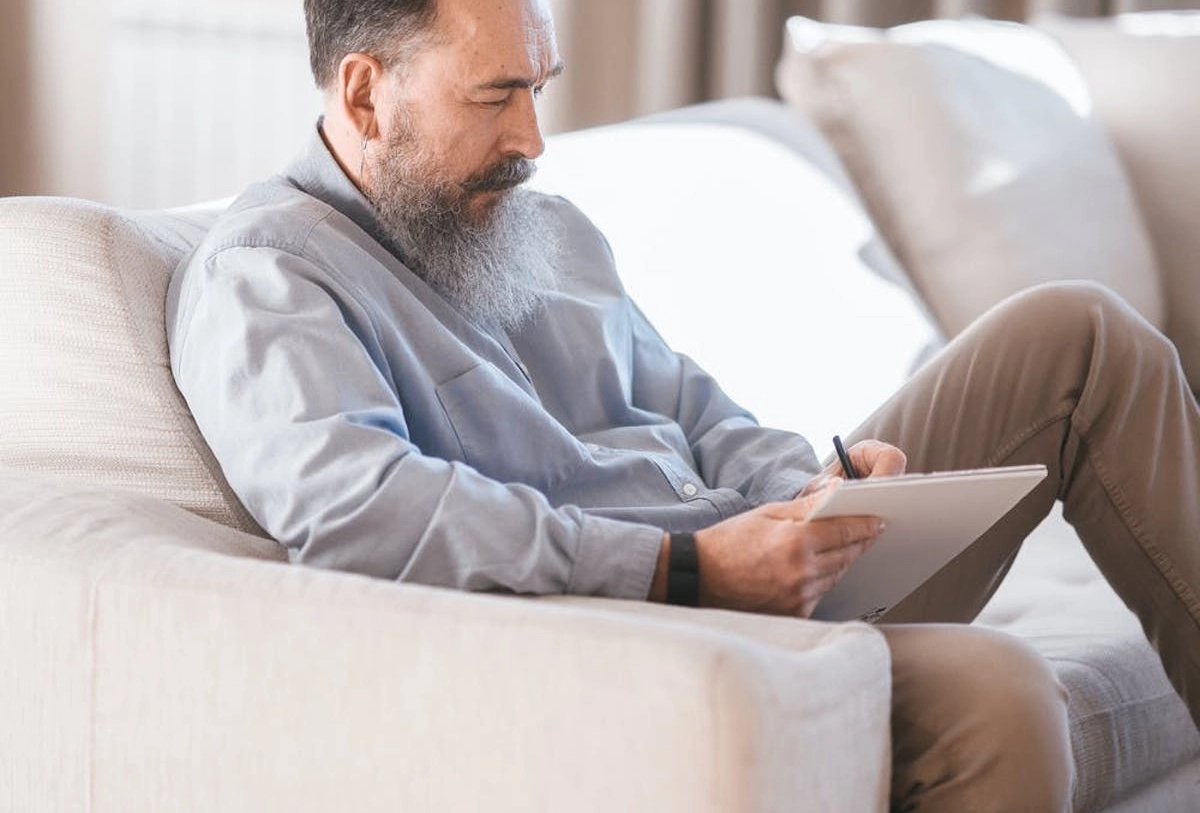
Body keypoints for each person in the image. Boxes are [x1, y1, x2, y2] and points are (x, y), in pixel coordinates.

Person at [166, 0, 1200, 809]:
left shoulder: (546, 230)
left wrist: (805, 484)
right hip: (651, 629)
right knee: (1001, 697)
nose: (534, 136)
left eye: (541, 86)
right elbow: (361, 511)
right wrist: (691, 566)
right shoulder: (269, 276)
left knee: (1079, 335)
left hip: (763, 566)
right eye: (495, 95)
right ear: (363, 97)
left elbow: (701, 413)